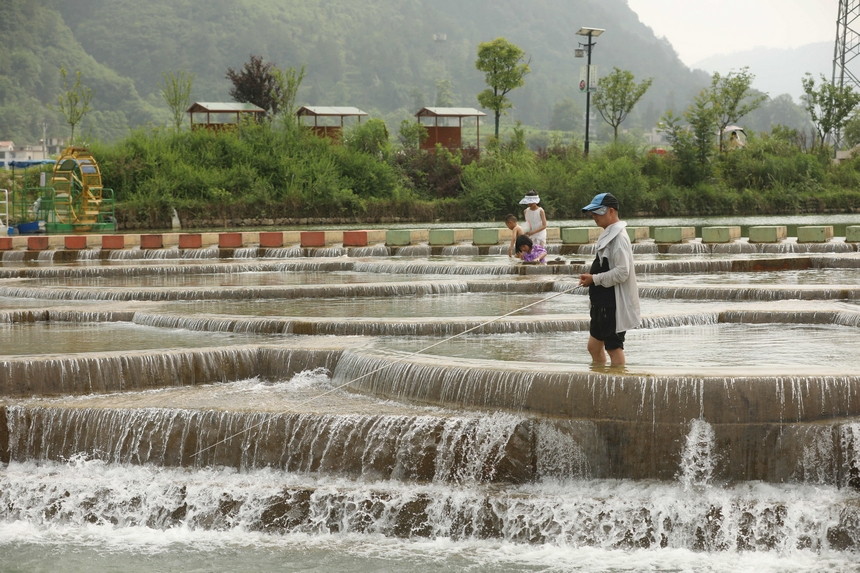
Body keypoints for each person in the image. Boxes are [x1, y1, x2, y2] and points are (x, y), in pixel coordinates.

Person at [577, 192, 640, 366]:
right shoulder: (608, 234)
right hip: (600, 303)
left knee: (613, 348)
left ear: (611, 211)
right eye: (593, 213)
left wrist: (594, 279)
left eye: (598, 212)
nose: (594, 216)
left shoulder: (619, 238)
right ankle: (601, 380)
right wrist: (591, 278)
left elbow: (622, 272)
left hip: (612, 305)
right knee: (594, 347)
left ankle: (617, 386)